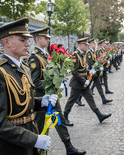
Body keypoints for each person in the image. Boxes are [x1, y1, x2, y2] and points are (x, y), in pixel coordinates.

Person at [0, 18, 57, 154]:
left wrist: (41, 102)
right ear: (6, 42)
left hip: (29, 139)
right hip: (10, 147)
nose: (28, 44)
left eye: (27, 40)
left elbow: (24, 102)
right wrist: (33, 139)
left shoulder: (24, 67)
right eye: (22, 40)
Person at [28, 27, 86, 155]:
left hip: (52, 96)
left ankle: (69, 147)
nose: (48, 40)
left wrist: (57, 83)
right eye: (46, 38)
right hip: (41, 98)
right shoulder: (34, 58)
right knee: (39, 125)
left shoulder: (46, 54)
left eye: (48, 37)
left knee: (60, 120)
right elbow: (35, 81)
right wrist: (51, 86)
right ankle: (36, 150)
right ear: (38, 39)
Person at [63, 37, 112, 126]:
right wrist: (83, 81)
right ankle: (65, 117)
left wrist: (90, 73)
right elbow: (74, 72)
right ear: (81, 45)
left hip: (84, 82)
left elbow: (83, 69)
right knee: (71, 101)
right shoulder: (75, 55)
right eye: (85, 45)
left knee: (90, 98)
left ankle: (99, 115)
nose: (86, 46)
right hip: (77, 84)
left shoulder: (82, 54)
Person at [86, 38, 113, 104]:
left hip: (95, 70)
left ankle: (103, 99)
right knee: (87, 85)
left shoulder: (93, 51)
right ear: (91, 44)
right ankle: (78, 98)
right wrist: (96, 67)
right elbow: (90, 63)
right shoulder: (89, 52)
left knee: (99, 85)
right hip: (91, 71)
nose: (95, 45)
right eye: (94, 43)